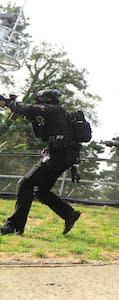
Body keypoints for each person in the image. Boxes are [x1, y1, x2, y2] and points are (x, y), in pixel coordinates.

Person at [0, 89, 82, 235]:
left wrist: (8, 103)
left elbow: (28, 108)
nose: (37, 102)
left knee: (25, 183)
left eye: (39, 100)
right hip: (62, 157)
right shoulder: (57, 113)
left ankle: (14, 226)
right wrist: (32, 120)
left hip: (57, 157)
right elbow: (42, 135)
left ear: (46, 99)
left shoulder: (53, 110)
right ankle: (69, 214)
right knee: (41, 191)